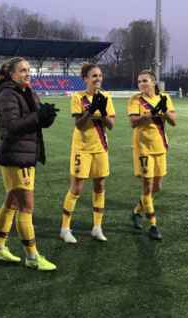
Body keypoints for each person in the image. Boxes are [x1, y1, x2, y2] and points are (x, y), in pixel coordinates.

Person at [0, 57, 58, 270]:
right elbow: (12, 126)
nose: (27, 73)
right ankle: (32, 256)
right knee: (26, 206)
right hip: (16, 156)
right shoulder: (8, 94)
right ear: (11, 74)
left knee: (12, 203)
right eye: (22, 70)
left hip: (24, 153)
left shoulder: (26, 91)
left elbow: (35, 120)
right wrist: (38, 117)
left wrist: (46, 117)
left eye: (28, 70)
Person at [59, 64, 115, 244]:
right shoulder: (78, 97)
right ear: (85, 79)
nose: (98, 79)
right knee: (77, 188)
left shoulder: (106, 97)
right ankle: (65, 228)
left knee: (99, 186)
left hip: (100, 148)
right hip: (82, 149)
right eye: (94, 76)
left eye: (100, 75)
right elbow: (79, 125)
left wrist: (102, 112)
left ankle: (97, 227)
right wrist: (91, 110)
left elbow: (111, 124)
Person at [127, 70, 177, 240]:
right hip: (143, 148)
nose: (141, 84)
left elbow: (173, 121)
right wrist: (151, 114)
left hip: (160, 146)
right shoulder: (135, 99)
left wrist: (163, 113)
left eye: (145, 81)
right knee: (147, 187)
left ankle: (136, 211)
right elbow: (133, 122)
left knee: (157, 187)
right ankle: (153, 225)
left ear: (154, 82)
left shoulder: (164, 98)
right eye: (139, 81)